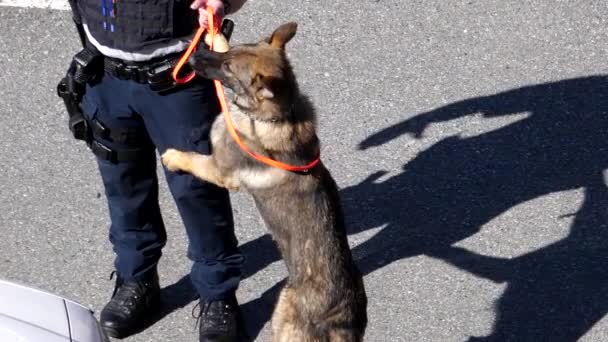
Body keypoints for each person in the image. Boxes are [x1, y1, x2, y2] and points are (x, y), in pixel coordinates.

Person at [58, 0, 248, 341]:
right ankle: (137, 279)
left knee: (198, 191)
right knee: (123, 184)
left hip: (178, 78)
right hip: (104, 74)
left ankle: (218, 296)